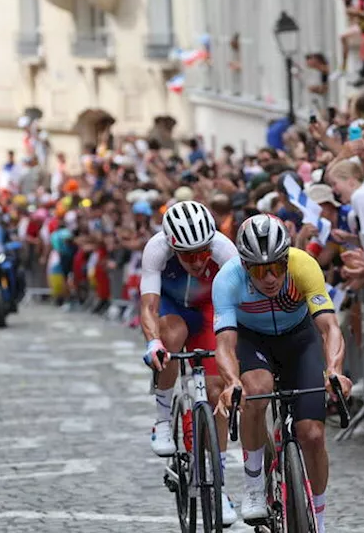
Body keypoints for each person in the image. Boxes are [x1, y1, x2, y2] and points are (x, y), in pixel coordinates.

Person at [214, 215, 350, 529]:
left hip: (298, 340)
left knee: (312, 435)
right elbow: (224, 343)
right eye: (261, 270)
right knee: (256, 390)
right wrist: (232, 382)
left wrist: (334, 370)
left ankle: (319, 516)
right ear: (246, 266)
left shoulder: (304, 265)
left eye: (277, 266)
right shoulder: (228, 279)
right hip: (253, 341)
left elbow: (329, 327)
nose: (271, 277)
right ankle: (253, 488)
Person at [138, 200, 238, 524]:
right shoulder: (156, 249)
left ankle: (217, 481)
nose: (197, 262)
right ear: (172, 246)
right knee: (171, 335)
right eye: (188, 255)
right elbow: (149, 307)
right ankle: (163, 419)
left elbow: (240, 304)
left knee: (216, 390)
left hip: (211, 309)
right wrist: (153, 343)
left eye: (202, 252)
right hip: (173, 310)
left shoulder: (224, 249)